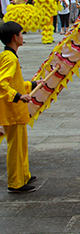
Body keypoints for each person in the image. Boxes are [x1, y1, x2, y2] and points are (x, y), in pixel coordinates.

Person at [0, 21, 42, 193]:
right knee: (16, 146)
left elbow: (15, 83)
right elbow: (2, 83)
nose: (22, 37)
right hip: (13, 110)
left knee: (21, 144)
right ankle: (15, 182)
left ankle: (23, 174)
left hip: (16, 110)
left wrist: (32, 85)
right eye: (21, 34)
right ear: (14, 37)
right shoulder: (9, 58)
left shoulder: (10, 56)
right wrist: (18, 97)